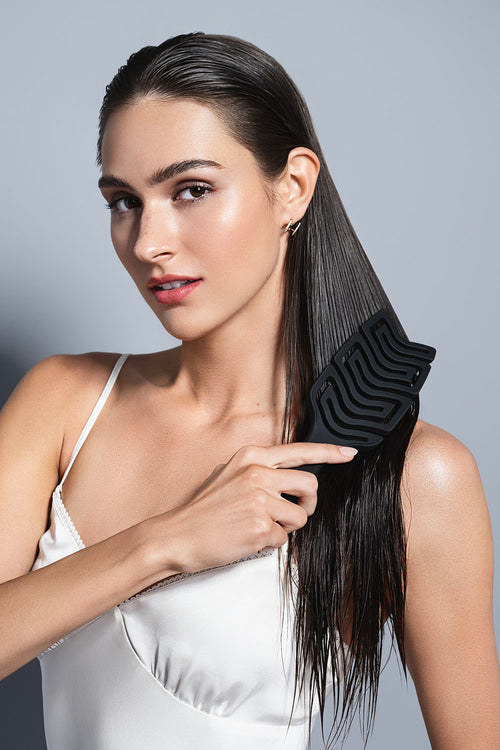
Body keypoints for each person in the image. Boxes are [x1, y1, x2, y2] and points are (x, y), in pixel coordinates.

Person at [0, 30, 499, 750]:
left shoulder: (418, 474)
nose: (148, 243)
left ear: (292, 187)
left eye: (191, 190)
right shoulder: (65, 401)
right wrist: (166, 544)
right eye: (124, 201)